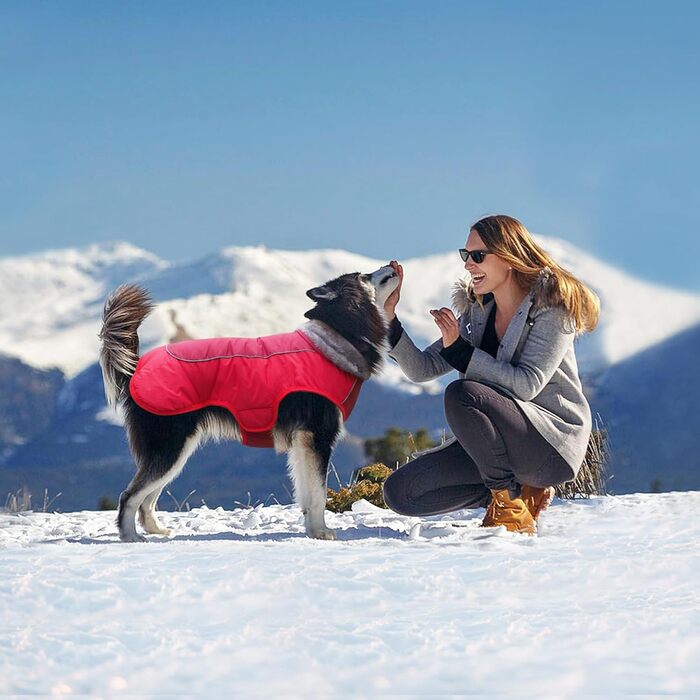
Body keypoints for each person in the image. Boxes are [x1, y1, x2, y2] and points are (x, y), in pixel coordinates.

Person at [381, 214, 599, 534]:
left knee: (463, 393)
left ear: (509, 257)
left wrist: (460, 352)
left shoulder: (553, 307)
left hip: (549, 446)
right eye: (465, 255)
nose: (469, 264)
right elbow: (420, 369)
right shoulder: (478, 314)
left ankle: (509, 506)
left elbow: (526, 385)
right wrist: (388, 317)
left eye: (478, 256)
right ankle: (519, 494)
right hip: (501, 449)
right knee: (402, 493)